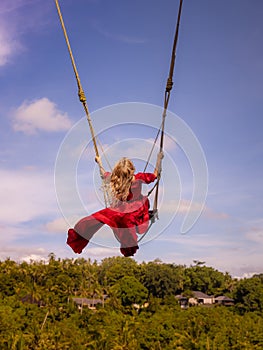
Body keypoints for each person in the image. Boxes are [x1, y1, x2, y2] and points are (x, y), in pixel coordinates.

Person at [67, 152, 163, 257]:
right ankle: (144, 220)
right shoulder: (138, 178)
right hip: (137, 210)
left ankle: (78, 236)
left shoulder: (115, 178)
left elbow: (104, 174)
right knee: (130, 222)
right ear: (132, 171)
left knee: (98, 218)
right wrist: (159, 159)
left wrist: (99, 162)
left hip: (120, 210)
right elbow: (154, 175)